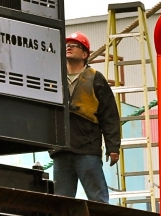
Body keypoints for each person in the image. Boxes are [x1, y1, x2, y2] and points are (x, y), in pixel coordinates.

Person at [52, 32, 121, 202]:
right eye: (67, 45)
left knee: (98, 200)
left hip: (87, 149)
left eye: (74, 45)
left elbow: (109, 115)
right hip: (61, 151)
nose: (69, 47)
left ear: (84, 54)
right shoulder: (54, 78)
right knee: (61, 203)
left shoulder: (95, 79)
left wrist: (113, 147)